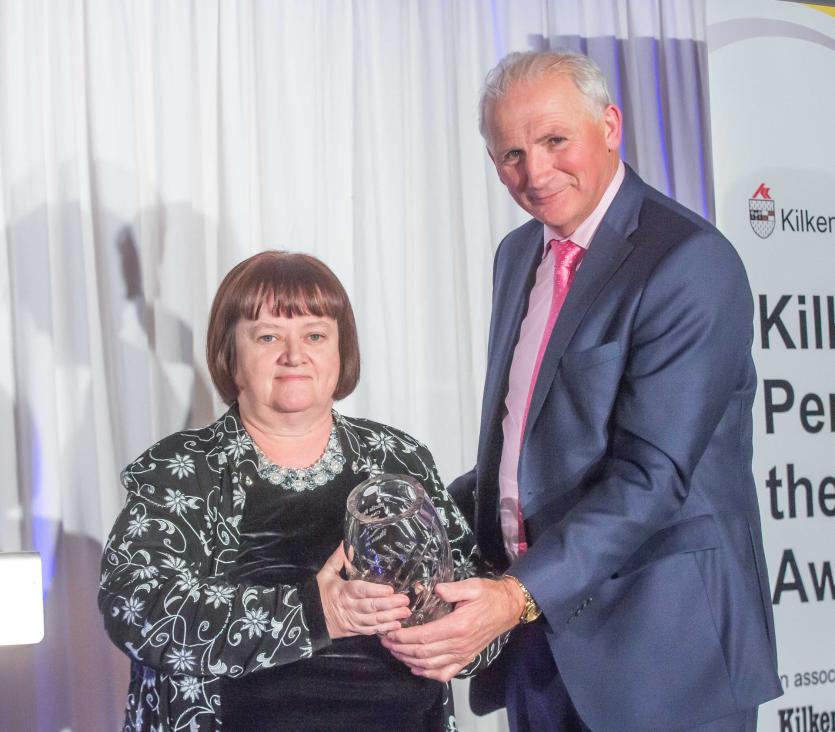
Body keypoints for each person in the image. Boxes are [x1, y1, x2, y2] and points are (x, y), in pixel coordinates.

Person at [382, 50, 783, 731]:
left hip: (664, 654)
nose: (535, 173)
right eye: (511, 154)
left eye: (554, 140)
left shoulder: (687, 260)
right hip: (540, 650)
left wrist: (515, 595)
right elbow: (525, 449)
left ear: (610, 125)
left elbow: (652, 477)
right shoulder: (518, 255)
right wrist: (408, 521)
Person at [98, 251, 500, 731]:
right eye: (268, 337)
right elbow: (135, 606)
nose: (294, 355)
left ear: (341, 351)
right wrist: (316, 612)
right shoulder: (182, 468)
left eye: (315, 335)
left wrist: (456, 635)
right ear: (230, 355)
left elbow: (476, 591)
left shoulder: (398, 456)